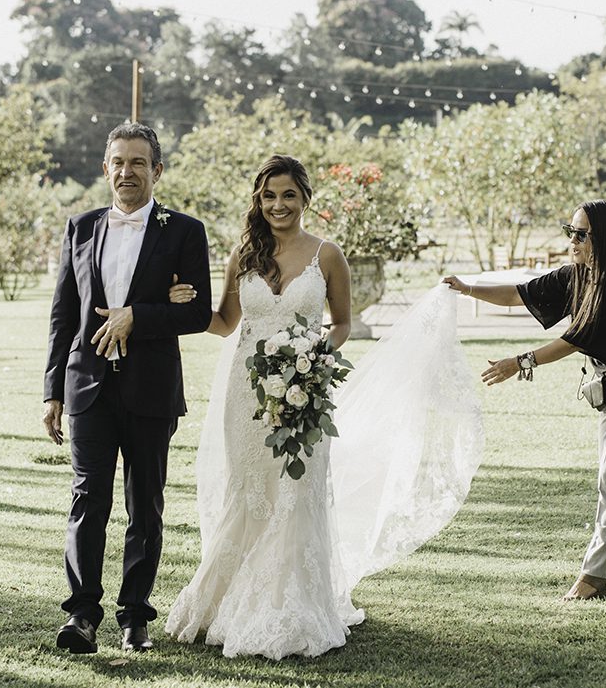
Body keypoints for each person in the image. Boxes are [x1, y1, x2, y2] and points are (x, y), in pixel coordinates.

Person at [164, 155, 483, 659]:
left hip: (303, 391)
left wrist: (311, 359)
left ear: (305, 199)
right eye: (269, 196)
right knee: (249, 492)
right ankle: (228, 600)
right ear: (258, 201)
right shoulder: (244, 255)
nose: (278, 205)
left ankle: (291, 606)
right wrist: (184, 308)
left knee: (296, 491)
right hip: (246, 394)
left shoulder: (327, 254)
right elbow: (225, 323)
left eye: (288, 195)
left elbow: (342, 324)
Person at [443, 199, 606, 600]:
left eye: (581, 234)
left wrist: (519, 362)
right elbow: (519, 294)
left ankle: (593, 578)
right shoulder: (576, 275)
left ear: (603, 237)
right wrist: (467, 289)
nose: (573, 241)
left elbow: (576, 339)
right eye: (570, 232)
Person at [43, 122, 212, 654]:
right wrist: (52, 391)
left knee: (145, 506)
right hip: (87, 387)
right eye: (118, 162)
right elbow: (63, 314)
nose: (127, 172)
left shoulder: (184, 232)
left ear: (157, 170)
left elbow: (199, 313)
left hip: (151, 389)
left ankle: (135, 617)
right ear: (105, 168)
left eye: (138, 162)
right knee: (87, 500)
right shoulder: (80, 227)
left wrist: (138, 315)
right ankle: (81, 616)